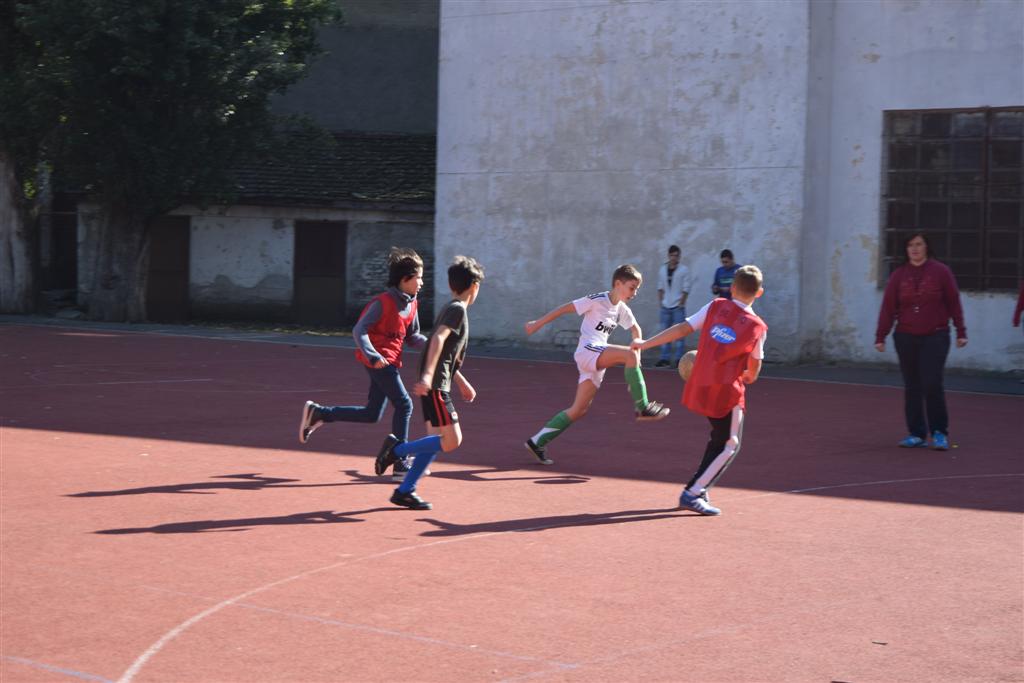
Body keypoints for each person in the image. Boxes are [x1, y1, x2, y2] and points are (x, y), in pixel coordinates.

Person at [632, 265, 767, 516]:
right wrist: (751, 375)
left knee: (718, 438)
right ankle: (693, 492)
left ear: (732, 288)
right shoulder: (757, 327)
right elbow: (755, 364)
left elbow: (682, 328)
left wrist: (647, 343)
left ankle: (700, 487)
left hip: (701, 384)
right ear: (759, 293)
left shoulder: (715, 306)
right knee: (730, 443)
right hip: (727, 392)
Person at [298, 247, 427, 480]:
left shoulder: (412, 304)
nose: (421, 282)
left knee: (372, 414)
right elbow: (359, 330)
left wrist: (434, 345)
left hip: (390, 361)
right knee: (404, 404)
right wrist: (373, 355)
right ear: (404, 279)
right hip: (378, 361)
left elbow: (413, 336)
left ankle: (320, 413)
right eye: (418, 277)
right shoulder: (382, 302)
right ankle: (400, 462)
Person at [522, 264, 671, 466]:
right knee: (628, 355)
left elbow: (636, 330)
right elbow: (565, 308)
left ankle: (537, 442)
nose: (635, 293)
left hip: (596, 359)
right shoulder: (597, 300)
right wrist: (537, 323)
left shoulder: (622, 309)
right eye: (632, 287)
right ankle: (642, 407)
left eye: (637, 289)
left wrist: (636, 357)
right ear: (618, 284)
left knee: (578, 409)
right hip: (587, 351)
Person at [375, 256, 485, 510]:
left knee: (434, 440)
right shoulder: (457, 310)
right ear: (474, 286)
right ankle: (397, 450)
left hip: (436, 382)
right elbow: (437, 340)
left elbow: (445, 353)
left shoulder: (451, 307)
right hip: (435, 385)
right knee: (452, 441)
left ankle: (405, 491)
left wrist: (461, 382)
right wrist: (427, 377)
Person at [875, 232, 967, 451]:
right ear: (906, 249)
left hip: (935, 335)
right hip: (905, 336)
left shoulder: (941, 272)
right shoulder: (899, 275)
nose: (915, 249)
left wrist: (961, 331)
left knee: (932, 383)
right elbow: (888, 307)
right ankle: (916, 433)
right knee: (912, 385)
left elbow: (954, 301)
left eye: (919, 244)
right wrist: (881, 336)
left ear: (927, 247)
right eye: (910, 245)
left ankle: (939, 432)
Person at [655, 245, 691, 367]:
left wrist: (681, 303)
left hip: (678, 307)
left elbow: (686, 288)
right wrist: (661, 301)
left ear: (679, 256)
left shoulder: (684, 270)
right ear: (668, 256)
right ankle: (664, 358)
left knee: (680, 334)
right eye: (672, 255)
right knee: (665, 334)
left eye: (676, 255)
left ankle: (679, 359)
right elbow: (660, 287)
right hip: (665, 307)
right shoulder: (662, 270)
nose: (674, 258)